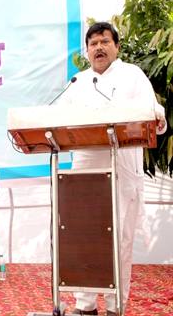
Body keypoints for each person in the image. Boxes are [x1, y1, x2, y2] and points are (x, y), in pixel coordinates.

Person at [58, 22, 167, 315]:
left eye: (104, 42)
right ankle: (85, 305)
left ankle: (115, 306)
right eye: (93, 44)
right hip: (85, 172)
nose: (98, 48)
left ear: (116, 46)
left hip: (122, 169)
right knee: (85, 237)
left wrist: (157, 117)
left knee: (119, 241)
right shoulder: (78, 82)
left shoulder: (132, 75)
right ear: (87, 51)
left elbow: (153, 111)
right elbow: (58, 119)